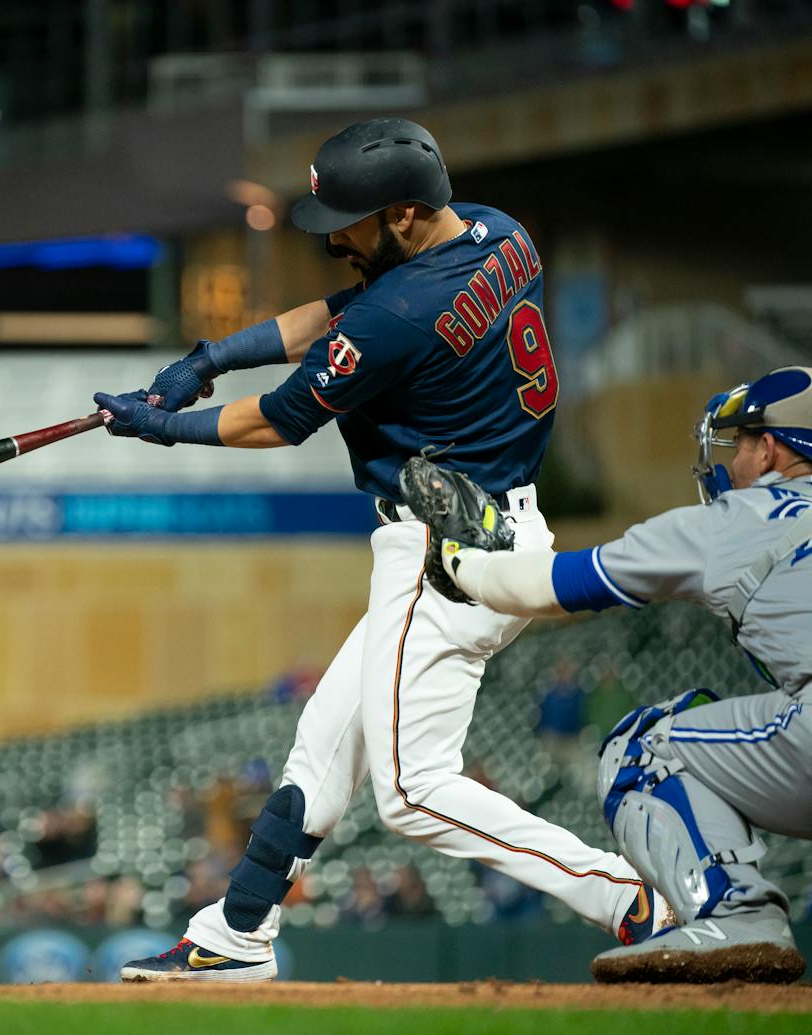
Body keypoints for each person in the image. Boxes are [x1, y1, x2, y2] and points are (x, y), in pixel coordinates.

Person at [103, 116, 658, 983]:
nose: (336, 242)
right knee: (323, 745)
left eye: (349, 225)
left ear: (401, 215)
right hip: (498, 523)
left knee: (411, 793)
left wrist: (164, 425)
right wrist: (212, 354)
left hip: (444, 551)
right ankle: (236, 932)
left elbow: (280, 419)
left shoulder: (404, 310)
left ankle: (629, 897)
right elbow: (342, 311)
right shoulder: (497, 231)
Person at [419, 366, 812, 983]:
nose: (733, 458)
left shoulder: (741, 520)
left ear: (772, 449)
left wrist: (460, 560)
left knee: (645, 749)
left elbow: (558, 586)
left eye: (740, 442)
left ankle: (738, 915)